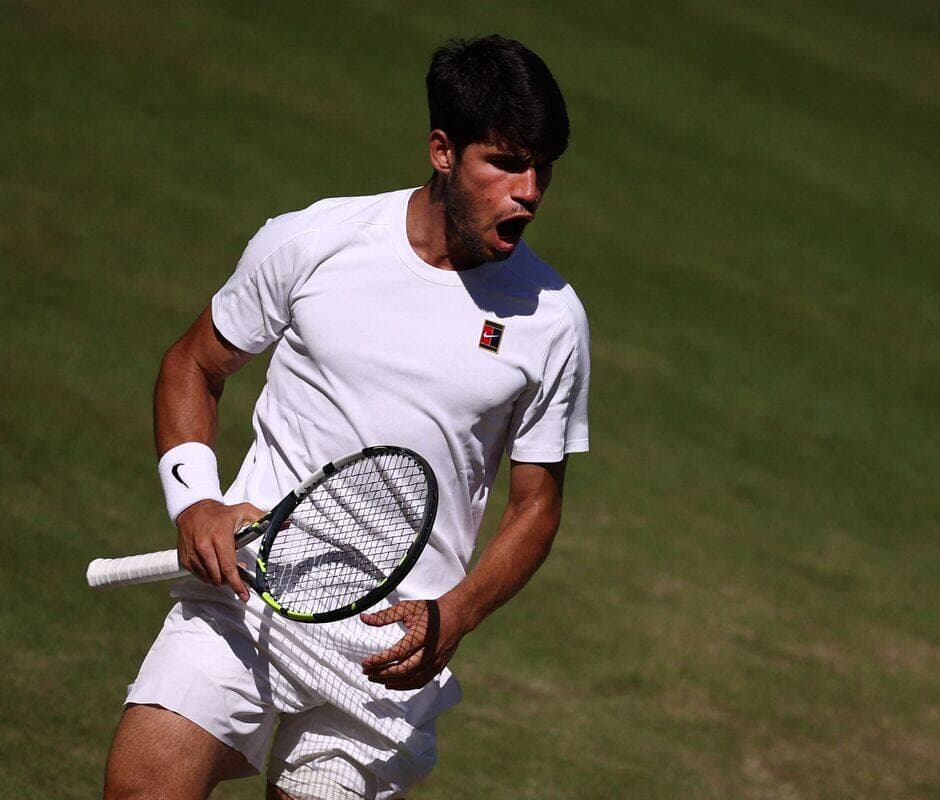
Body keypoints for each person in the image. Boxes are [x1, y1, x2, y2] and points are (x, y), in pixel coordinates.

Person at [103, 34, 588, 800]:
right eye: (505, 162)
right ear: (441, 150)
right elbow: (193, 365)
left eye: (543, 168)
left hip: (389, 652)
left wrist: (456, 612)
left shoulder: (553, 320)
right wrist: (195, 498)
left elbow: (537, 506)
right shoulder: (314, 240)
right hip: (250, 599)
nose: (529, 190)